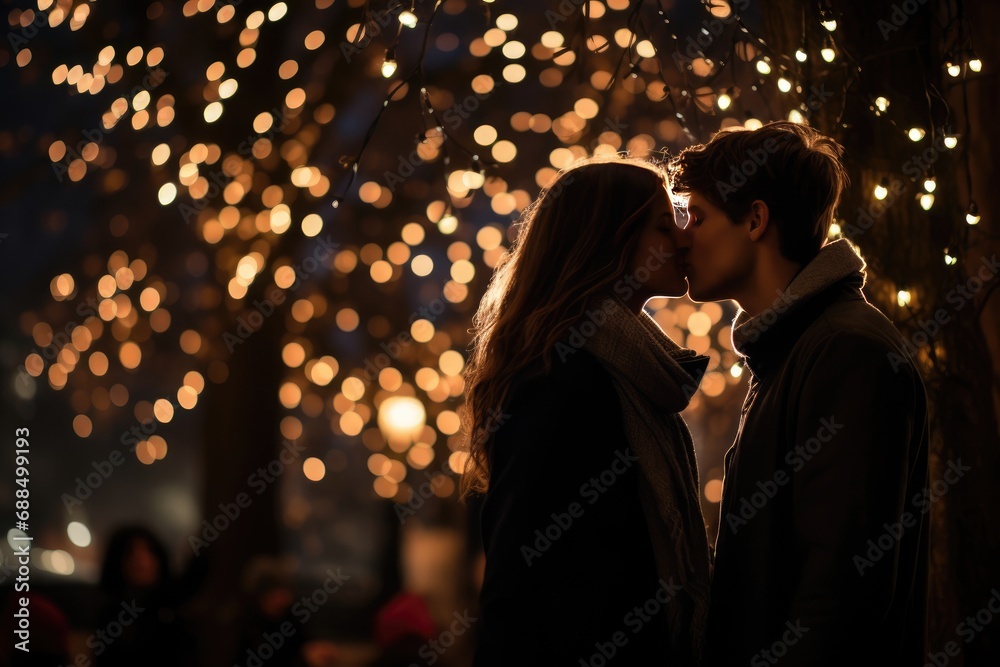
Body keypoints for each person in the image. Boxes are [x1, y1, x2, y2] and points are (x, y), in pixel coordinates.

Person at [668, 121, 929, 666]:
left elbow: (840, 587)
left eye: (698, 216)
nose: (683, 236)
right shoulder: (791, 348)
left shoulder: (844, 351)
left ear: (756, 220)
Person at [461, 156, 712, 665]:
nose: (684, 240)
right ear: (608, 240)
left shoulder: (623, 370)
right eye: (664, 227)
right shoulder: (559, 379)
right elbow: (519, 582)